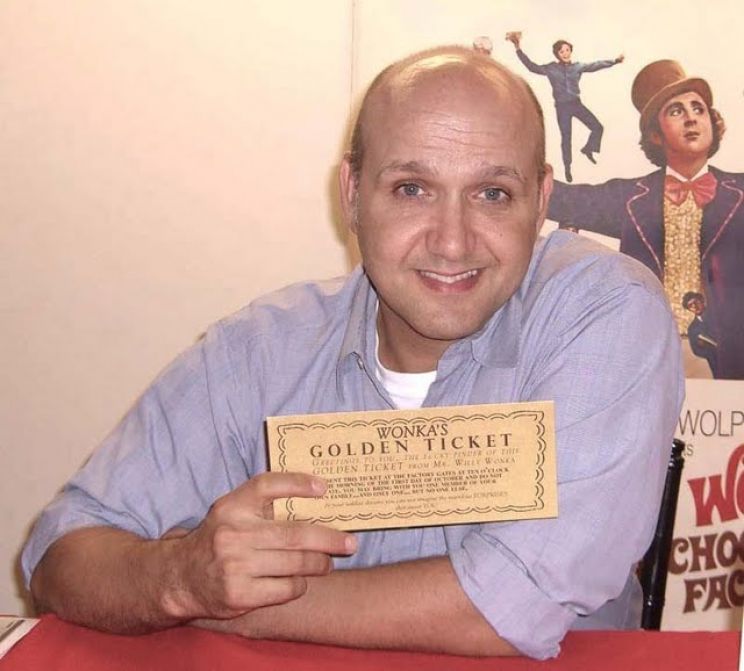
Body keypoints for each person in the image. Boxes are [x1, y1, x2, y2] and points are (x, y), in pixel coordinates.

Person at [21, 46, 683, 660]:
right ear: (351, 195)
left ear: (540, 203)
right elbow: (61, 554)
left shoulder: (602, 309)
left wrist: (229, 608)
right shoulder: (259, 350)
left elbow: (509, 604)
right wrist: (179, 576)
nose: (452, 241)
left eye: (493, 194)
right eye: (411, 188)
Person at [548, 59, 744, 380]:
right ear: (655, 134)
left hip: (730, 361)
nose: (692, 117)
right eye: (676, 111)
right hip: (647, 360)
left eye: (698, 108)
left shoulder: (741, 193)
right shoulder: (630, 197)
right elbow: (563, 199)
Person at [506, 31, 623, 183]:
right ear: (557, 54)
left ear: (571, 51)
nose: (565, 53)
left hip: (576, 104)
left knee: (598, 127)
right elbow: (531, 67)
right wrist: (518, 48)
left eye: (567, 50)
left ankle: (588, 148)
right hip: (562, 108)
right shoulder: (551, 68)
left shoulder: (578, 67)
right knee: (566, 138)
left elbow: (595, 65)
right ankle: (567, 167)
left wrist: (615, 61)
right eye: (562, 51)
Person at [683, 291, 719, 377]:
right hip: (715, 362)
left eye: (696, 302)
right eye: (690, 306)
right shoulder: (692, 328)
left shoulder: (717, 316)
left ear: (702, 301)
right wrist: (712, 353)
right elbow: (696, 350)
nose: (695, 306)